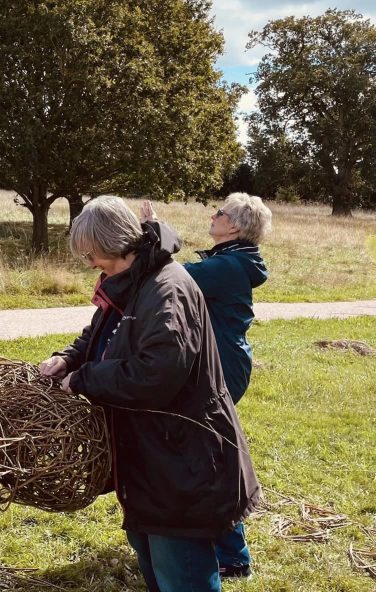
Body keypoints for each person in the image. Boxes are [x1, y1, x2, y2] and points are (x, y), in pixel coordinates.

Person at [39, 196, 260, 592]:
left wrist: (85, 378)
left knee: (182, 571)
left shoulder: (166, 290)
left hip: (180, 460)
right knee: (153, 557)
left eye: (91, 254)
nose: (89, 264)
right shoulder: (130, 279)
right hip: (150, 457)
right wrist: (69, 359)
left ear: (115, 242)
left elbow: (155, 374)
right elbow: (101, 330)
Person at [142, 193, 271, 578]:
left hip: (223, 368)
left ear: (234, 225)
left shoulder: (229, 266)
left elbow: (169, 276)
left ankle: (233, 556)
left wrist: (154, 231)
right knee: (208, 454)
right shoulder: (227, 260)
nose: (212, 215)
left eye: (220, 212)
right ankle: (227, 550)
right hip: (220, 364)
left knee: (208, 458)